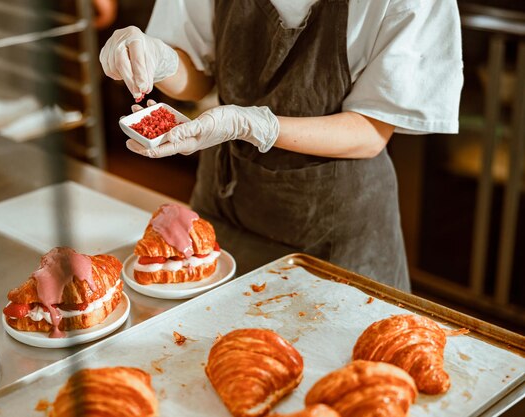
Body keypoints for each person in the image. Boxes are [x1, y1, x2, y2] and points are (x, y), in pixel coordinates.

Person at [99, 0, 463, 291]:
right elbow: (197, 81)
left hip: (335, 233)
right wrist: (159, 58)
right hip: (226, 212)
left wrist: (253, 124)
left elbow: (370, 132)